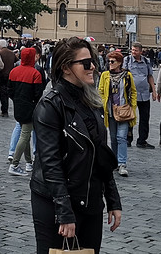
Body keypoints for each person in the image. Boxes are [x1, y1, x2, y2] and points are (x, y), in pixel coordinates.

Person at [31, 37, 122, 254]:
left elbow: (101, 156)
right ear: (66, 68)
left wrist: (113, 200)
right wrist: (64, 212)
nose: (92, 67)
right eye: (85, 63)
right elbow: (50, 163)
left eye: (93, 61)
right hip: (55, 201)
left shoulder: (92, 102)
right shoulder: (50, 106)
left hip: (90, 200)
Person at [99, 50, 137, 177]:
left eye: (112, 61)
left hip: (124, 111)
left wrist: (133, 107)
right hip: (110, 110)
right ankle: (114, 162)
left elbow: (133, 91)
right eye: (108, 61)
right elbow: (101, 91)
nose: (110, 63)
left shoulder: (127, 75)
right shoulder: (105, 75)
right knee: (114, 138)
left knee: (121, 138)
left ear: (119, 62)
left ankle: (122, 164)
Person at [8, 45, 45, 176]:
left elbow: (10, 90)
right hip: (30, 107)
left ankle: (29, 162)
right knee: (25, 136)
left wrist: (16, 99)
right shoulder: (35, 73)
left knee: (26, 134)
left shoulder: (14, 71)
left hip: (17, 105)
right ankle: (15, 164)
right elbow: (38, 93)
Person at [123, 42, 157, 149]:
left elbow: (150, 76)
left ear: (141, 51)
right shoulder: (127, 60)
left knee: (145, 118)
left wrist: (154, 91)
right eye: (132, 50)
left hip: (145, 94)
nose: (133, 52)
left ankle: (142, 140)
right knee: (130, 117)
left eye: (136, 50)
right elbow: (123, 74)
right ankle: (128, 139)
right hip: (131, 94)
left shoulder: (146, 61)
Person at [0, 39, 17, 117]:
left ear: (0, 46)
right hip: (11, 75)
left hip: (2, 75)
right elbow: (17, 60)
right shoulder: (11, 53)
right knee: (9, 91)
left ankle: (4, 110)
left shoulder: (0, 53)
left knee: (2, 93)